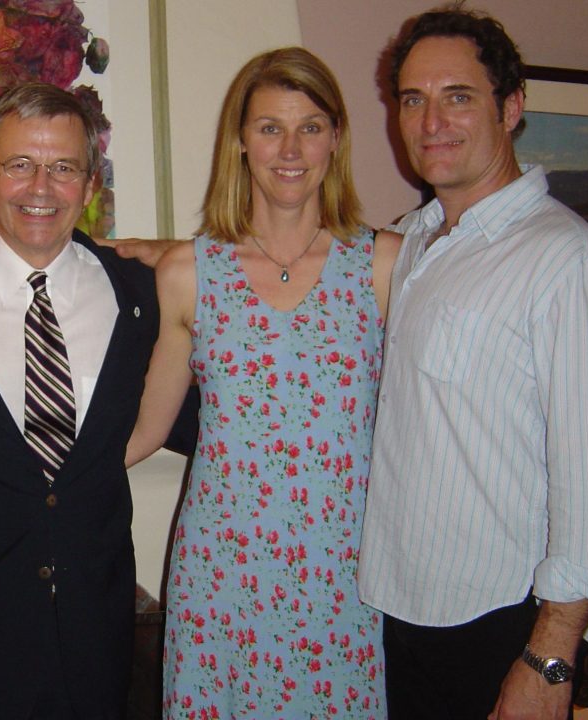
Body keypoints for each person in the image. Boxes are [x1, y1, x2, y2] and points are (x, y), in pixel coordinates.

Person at [355, 7, 588, 720]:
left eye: (458, 97)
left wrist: (548, 660)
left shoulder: (566, 262)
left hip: (501, 627)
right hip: (400, 610)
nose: (430, 122)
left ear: (511, 108)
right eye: (413, 100)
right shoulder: (414, 241)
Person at [125, 47, 400, 719]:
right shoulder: (190, 273)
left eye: (310, 126)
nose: (290, 148)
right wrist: (31, 482)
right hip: (221, 574)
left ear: (336, 138)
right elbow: (146, 430)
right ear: (241, 141)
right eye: (269, 127)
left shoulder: (383, 266)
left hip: (342, 576)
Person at [0, 82, 159, 719]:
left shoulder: (143, 293)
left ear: (91, 185)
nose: (40, 187)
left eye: (63, 167)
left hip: (91, 640)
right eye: (19, 164)